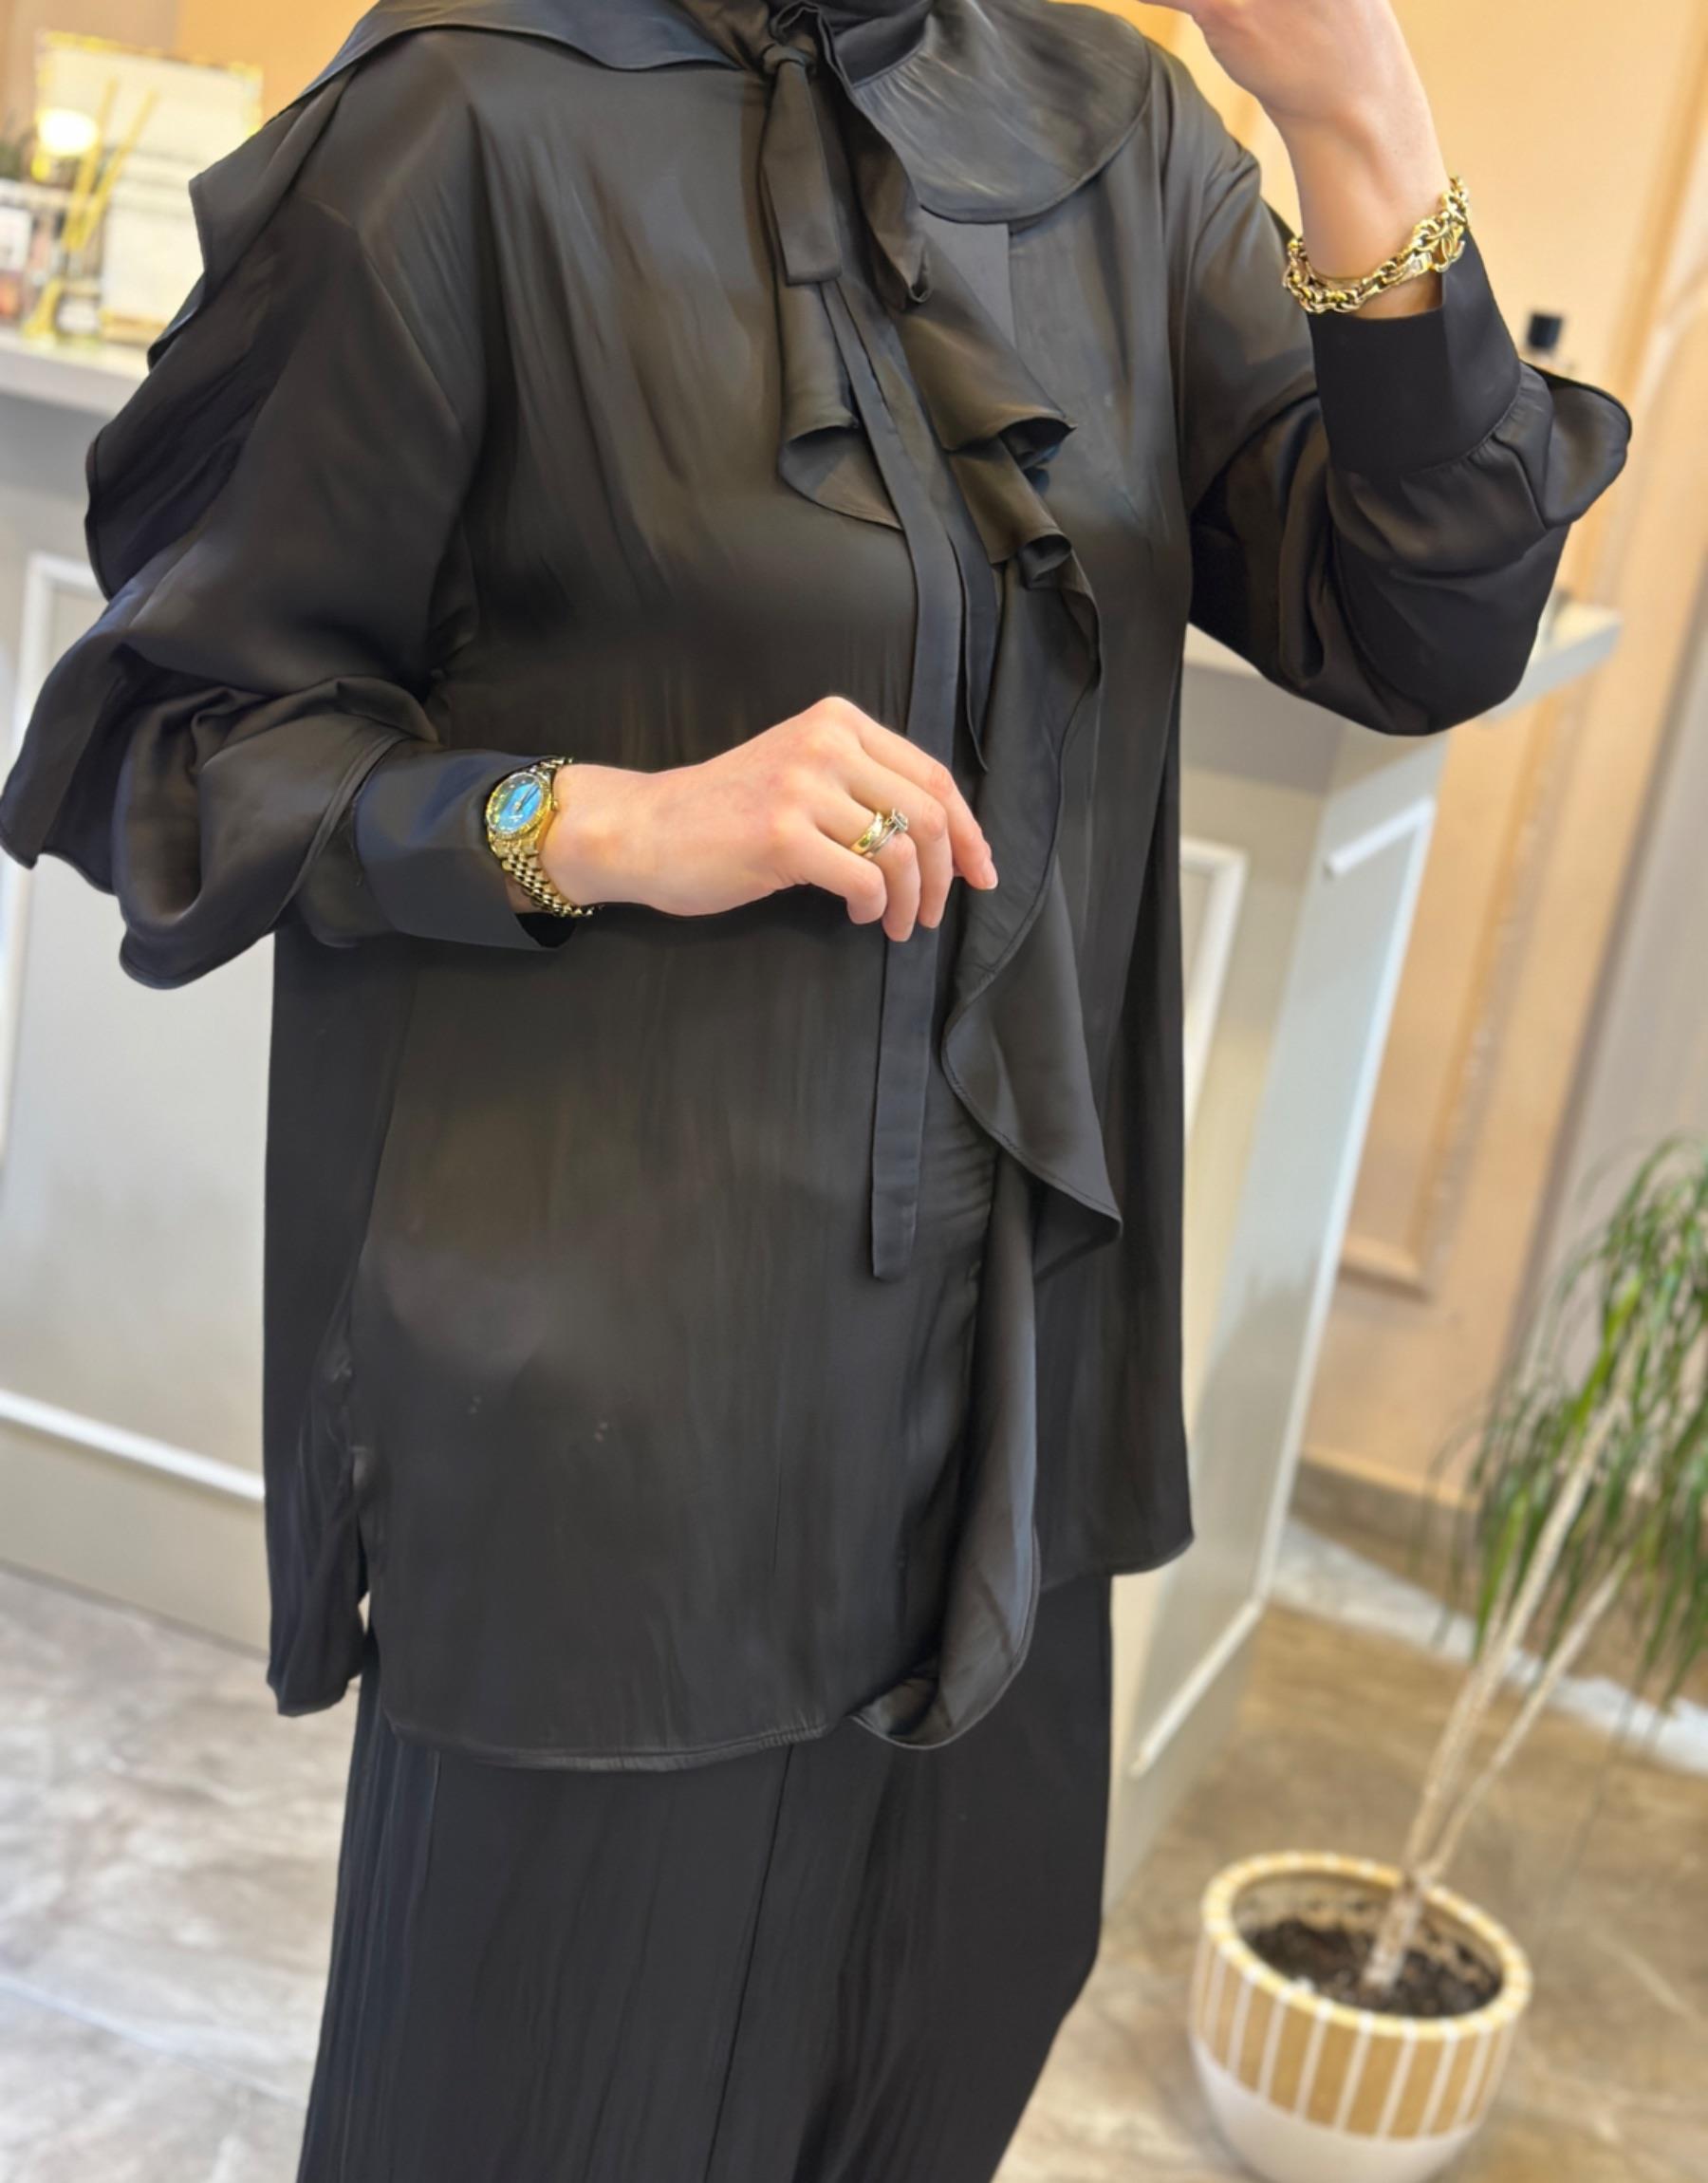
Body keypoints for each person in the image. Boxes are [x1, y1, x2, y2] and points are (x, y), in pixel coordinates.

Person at [0, 0, 1630, 2174]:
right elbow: (169, 745)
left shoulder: (1115, 132)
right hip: (620, 1471)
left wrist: (1352, 101)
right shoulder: (471, 117)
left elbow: (1427, 625)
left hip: (1006, 1450)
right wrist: (596, 821)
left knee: (922, 2079)